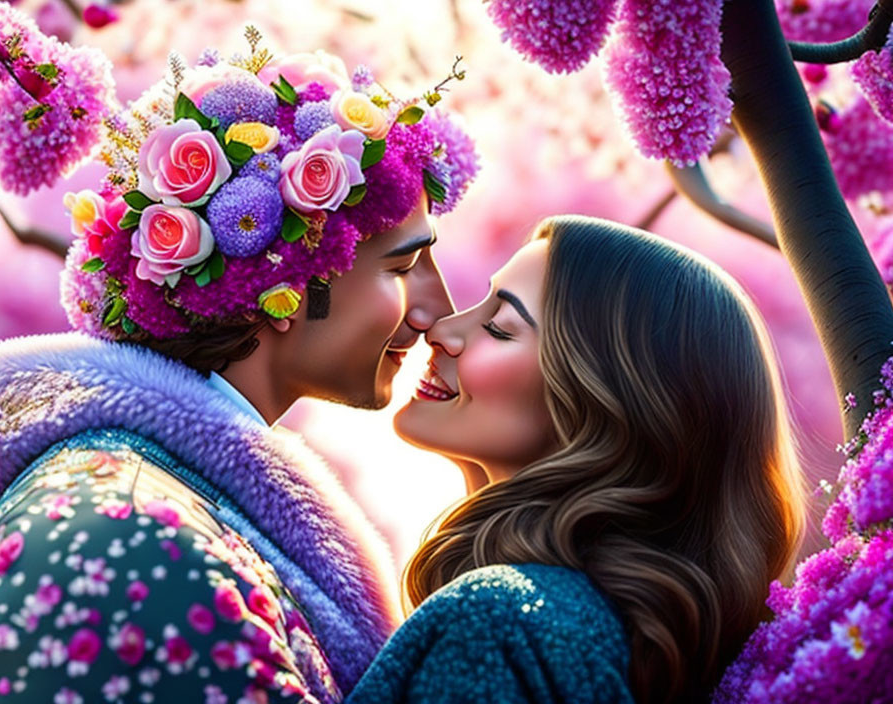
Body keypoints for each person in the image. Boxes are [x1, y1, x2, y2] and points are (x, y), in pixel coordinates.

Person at [0, 31, 477, 704]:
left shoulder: (149, 495)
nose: (438, 311)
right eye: (401, 266)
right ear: (285, 272)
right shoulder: (138, 533)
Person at [345, 215, 806, 704]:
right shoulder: (642, 645)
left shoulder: (500, 623)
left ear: (608, 405)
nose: (442, 329)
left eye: (500, 327)